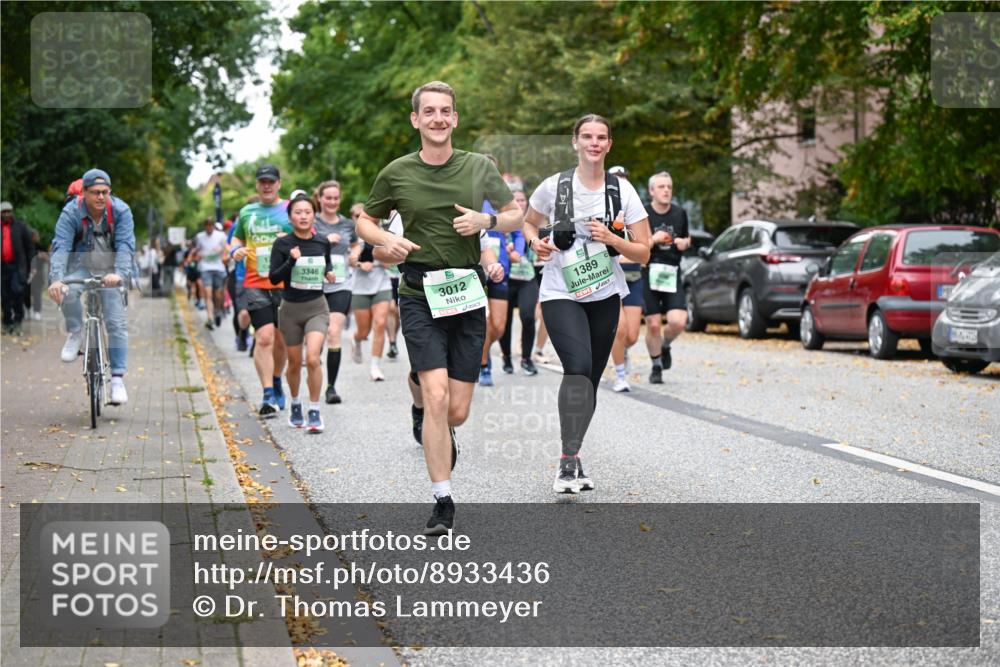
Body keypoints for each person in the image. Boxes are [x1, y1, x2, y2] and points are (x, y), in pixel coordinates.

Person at [355, 80, 520, 535]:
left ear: (455, 118)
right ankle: (442, 500)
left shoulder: (478, 167)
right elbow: (366, 222)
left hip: (467, 293)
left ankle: (430, 416)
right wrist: (386, 239)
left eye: (446, 111)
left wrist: (486, 220)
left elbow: (515, 216)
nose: (438, 119)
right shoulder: (396, 172)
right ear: (415, 119)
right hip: (418, 292)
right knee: (436, 395)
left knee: (457, 411)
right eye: (429, 111)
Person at [522, 114, 651, 494]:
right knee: (576, 368)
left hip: (604, 292)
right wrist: (536, 242)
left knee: (591, 380)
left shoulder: (622, 192)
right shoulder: (554, 186)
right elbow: (528, 223)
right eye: (587, 137)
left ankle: (574, 454)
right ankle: (565, 462)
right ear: (575, 142)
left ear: (609, 145)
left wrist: (614, 240)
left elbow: (643, 252)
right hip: (561, 289)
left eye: (601, 137)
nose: (594, 143)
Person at [47, 169, 135, 405]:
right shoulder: (71, 212)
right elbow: (61, 247)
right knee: (69, 291)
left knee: (115, 321)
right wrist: (57, 279)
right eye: (95, 192)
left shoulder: (121, 211)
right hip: (81, 266)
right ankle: (76, 331)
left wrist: (119, 274)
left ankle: (117, 379)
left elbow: (126, 245)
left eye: (105, 192)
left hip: (112, 269)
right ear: (83, 193)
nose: (100, 197)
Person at [268, 194, 335, 433]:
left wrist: (329, 273)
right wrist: (291, 261)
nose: (303, 216)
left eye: (308, 212)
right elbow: (274, 277)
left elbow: (326, 263)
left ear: (314, 215)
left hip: (317, 307)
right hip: (290, 310)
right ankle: (295, 403)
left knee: (314, 358)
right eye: (298, 212)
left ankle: (314, 409)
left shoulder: (322, 242)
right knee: (294, 363)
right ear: (290, 217)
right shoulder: (283, 244)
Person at [229, 164, 292, 417]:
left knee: (282, 339)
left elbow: (307, 234)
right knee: (264, 337)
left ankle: (277, 378)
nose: (266, 186)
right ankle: (267, 393)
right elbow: (237, 238)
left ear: (278, 184)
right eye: (262, 182)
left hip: (285, 283)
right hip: (256, 282)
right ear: (257, 185)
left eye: (271, 181)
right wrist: (236, 251)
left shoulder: (289, 209)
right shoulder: (247, 212)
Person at [313, 182, 360, 403]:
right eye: (328, 198)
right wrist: (324, 241)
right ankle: (316, 371)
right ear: (320, 199)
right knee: (317, 338)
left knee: (334, 333)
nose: (332, 202)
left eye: (335, 198)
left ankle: (331, 387)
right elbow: (302, 244)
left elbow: (356, 244)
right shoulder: (312, 222)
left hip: (341, 283)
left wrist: (355, 256)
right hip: (315, 284)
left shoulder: (348, 224)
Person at [642, 171, 691, 383]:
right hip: (648, 271)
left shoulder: (680, 213)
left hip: (671, 271)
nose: (666, 191)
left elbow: (687, 237)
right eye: (661, 187)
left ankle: (665, 345)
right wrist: (654, 239)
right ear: (652, 191)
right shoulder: (643, 214)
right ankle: (656, 366)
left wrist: (685, 243)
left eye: (669, 187)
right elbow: (637, 245)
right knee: (653, 324)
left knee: (678, 322)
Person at [607, 166, 648, 392]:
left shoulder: (636, 209)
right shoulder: (602, 209)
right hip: (610, 276)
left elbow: (646, 243)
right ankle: (620, 375)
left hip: (633, 276)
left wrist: (630, 251)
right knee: (619, 329)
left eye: (625, 181)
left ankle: (621, 352)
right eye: (617, 182)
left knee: (631, 335)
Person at [349, 202, 393, 382]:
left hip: (381, 284)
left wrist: (382, 259)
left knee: (380, 323)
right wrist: (360, 263)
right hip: (360, 287)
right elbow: (351, 260)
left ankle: (375, 366)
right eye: (356, 216)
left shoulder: (383, 235)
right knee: (364, 331)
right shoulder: (354, 238)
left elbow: (390, 262)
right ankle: (356, 339)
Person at [497, 187, 539, 376]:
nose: (520, 203)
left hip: (527, 278)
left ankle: (526, 358)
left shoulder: (533, 223)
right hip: (506, 278)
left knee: (528, 317)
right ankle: (506, 356)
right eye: (516, 200)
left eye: (523, 200)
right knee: (503, 322)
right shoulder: (501, 222)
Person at [1, 202, 36, 334]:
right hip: (2, 266)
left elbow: (30, 246)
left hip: (17, 265)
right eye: (3, 212)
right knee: (4, 295)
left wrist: (32, 264)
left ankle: (18, 321)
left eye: (8, 211)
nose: (6, 214)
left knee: (17, 292)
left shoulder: (20, 226)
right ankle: (7, 322)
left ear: (11, 212)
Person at [194, 218, 229, 329]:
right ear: (204, 226)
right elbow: (197, 249)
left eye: (211, 225)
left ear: (213, 226)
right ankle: (210, 318)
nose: (209, 227)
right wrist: (198, 255)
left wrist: (221, 250)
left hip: (218, 268)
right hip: (205, 268)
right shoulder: (199, 237)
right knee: (208, 294)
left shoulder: (221, 235)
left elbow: (227, 248)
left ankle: (218, 311)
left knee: (218, 294)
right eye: (207, 225)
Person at [28, 229, 49, 320]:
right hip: (27, 272)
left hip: (38, 274)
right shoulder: (27, 246)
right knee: (26, 292)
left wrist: (43, 256)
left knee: (37, 293)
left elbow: (48, 259)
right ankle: (27, 309)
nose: (38, 238)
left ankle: (37, 311)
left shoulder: (40, 247)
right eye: (36, 236)